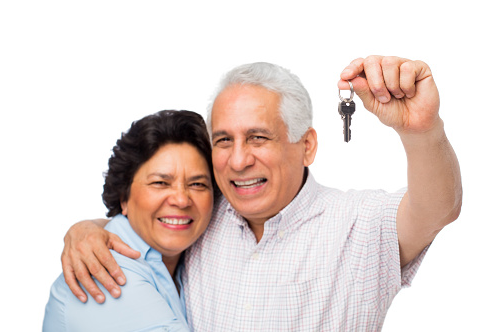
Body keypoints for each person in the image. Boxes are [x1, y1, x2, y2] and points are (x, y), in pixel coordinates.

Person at [61, 56, 462, 330]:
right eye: (223, 140)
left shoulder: (358, 223)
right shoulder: (203, 213)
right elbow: (154, 220)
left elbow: (437, 208)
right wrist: (89, 227)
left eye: (258, 137)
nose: (238, 161)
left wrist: (423, 131)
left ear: (306, 146)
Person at [43, 110, 217, 331]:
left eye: (198, 184)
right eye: (160, 183)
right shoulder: (107, 272)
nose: (182, 200)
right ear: (124, 197)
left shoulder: (185, 262)